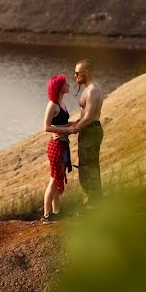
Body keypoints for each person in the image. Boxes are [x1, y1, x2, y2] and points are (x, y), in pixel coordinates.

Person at [42, 74, 77, 223]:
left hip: (63, 145)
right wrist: (67, 130)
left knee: (58, 179)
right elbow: (46, 127)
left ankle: (56, 212)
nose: (68, 85)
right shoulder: (52, 105)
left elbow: (62, 123)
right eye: (65, 83)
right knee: (54, 180)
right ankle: (46, 215)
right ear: (59, 87)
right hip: (56, 146)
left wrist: (73, 123)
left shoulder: (61, 103)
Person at [70, 59, 105, 206]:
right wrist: (75, 123)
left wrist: (74, 129)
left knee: (88, 169)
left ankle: (92, 206)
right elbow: (85, 116)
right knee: (87, 166)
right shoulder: (89, 88)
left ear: (87, 73)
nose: (75, 75)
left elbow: (90, 116)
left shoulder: (92, 90)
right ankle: (93, 204)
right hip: (89, 130)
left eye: (77, 73)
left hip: (90, 131)